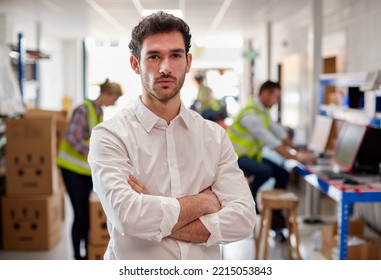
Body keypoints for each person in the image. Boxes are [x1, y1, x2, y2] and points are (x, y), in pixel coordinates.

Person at [87, 11, 256, 260]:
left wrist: (156, 217)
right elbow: (129, 218)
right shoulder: (110, 136)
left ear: (187, 62)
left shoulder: (214, 137)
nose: (165, 68)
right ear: (136, 64)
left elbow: (243, 219)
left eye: (175, 55)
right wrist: (203, 202)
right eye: (154, 56)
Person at [227, 80, 315, 235]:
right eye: (275, 97)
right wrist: (298, 158)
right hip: (235, 157)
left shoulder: (262, 111)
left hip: (251, 155)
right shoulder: (251, 115)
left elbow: (278, 132)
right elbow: (272, 142)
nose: (276, 102)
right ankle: (251, 202)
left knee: (283, 173)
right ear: (265, 93)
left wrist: (297, 149)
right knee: (266, 171)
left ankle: (276, 217)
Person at [57, 79, 122, 260]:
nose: (114, 103)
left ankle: (85, 253)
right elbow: (72, 137)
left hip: (84, 171)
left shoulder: (97, 111)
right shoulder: (83, 109)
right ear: (107, 94)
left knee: (85, 214)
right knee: (80, 214)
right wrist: (94, 152)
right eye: (114, 98)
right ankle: (77, 256)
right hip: (71, 169)